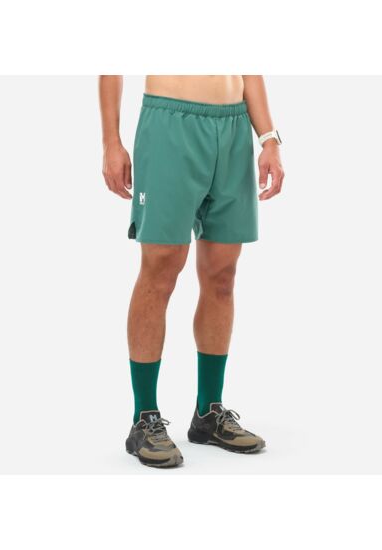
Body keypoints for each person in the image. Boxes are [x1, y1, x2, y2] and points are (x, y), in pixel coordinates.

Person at [99, 76, 284, 468]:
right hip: (170, 124)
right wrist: (111, 142)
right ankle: (144, 417)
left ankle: (208, 413)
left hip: (233, 128)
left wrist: (269, 138)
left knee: (222, 276)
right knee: (160, 270)